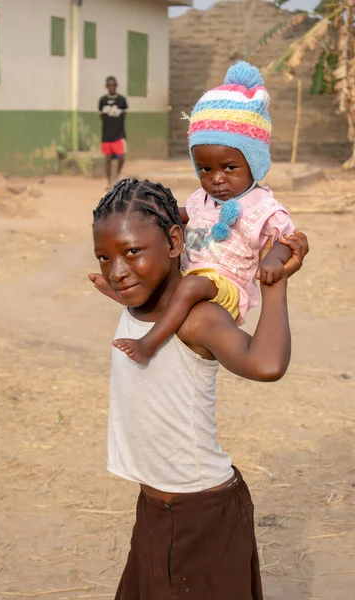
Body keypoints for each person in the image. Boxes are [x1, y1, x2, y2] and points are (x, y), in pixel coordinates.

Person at [90, 178, 309, 599]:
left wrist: (275, 284)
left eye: (132, 252)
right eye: (104, 257)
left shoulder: (199, 317)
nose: (117, 271)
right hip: (156, 508)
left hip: (200, 514)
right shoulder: (142, 305)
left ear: (175, 241)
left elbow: (266, 365)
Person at [95, 62, 298, 364]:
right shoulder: (202, 199)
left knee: (188, 285)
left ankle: (149, 343)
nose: (216, 178)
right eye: (205, 168)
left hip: (226, 288)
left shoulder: (262, 206)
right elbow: (181, 216)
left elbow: (287, 240)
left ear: (254, 162)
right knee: (164, 274)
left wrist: (272, 260)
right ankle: (131, 301)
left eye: (230, 167)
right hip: (193, 278)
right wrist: (149, 215)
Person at [99, 76, 128, 189]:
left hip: (119, 134)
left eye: (114, 85)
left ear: (116, 86)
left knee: (121, 156)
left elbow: (124, 116)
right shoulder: (102, 101)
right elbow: (101, 116)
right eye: (109, 85)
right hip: (106, 135)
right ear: (107, 87)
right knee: (108, 158)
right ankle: (109, 181)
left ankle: (117, 176)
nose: (112, 87)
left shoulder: (122, 100)